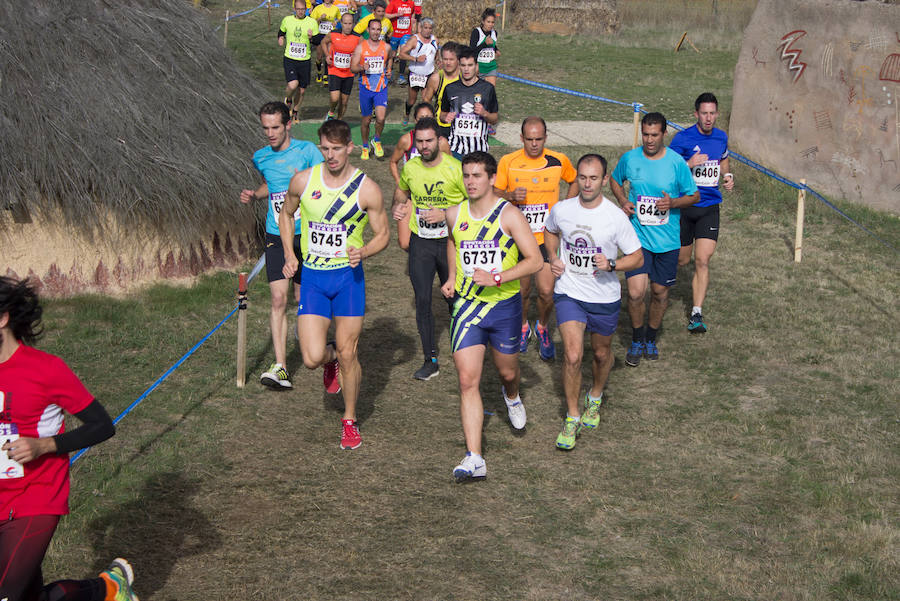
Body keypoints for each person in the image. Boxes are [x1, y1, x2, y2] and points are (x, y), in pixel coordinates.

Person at [0, 276, 138, 601]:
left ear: (3, 318)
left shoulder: (46, 370)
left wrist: (44, 445)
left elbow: (102, 425)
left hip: (36, 495)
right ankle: (109, 589)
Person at [279, 119, 390, 450]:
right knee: (313, 357)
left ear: (349, 148)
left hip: (348, 280)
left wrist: (364, 251)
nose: (330, 156)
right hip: (313, 278)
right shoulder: (303, 180)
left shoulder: (366, 188)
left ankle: (350, 419)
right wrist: (289, 252)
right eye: (325, 149)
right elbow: (286, 214)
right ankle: (329, 364)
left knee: (347, 352)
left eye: (336, 149)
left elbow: (383, 234)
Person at [440, 152, 543, 482]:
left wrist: (498, 278)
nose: (470, 181)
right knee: (467, 379)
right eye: (466, 175)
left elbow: (535, 260)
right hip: (468, 307)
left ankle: (511, 395)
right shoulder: (455, 214)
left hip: (503, 307)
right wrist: (452, 276)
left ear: (492, 179)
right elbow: (454, 244)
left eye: (477, 176)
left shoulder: (509, 215)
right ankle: (475, 457)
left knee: (507, 371)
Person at [543, 155, 643, 450]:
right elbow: (550, 231)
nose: (587, 184)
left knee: (601, 354)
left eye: (593, 178)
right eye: (583, 178)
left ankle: (595, 395)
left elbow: (637, 256)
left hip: (603, 297)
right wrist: (553, 257)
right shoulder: (562, 209)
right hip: (570, 292)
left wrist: (612, 265)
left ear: (603, 180)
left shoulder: (615, 218)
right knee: (573, 356)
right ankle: (572, 416)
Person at [240, 102, 324, 389]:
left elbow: (323, 185)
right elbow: (271, 186)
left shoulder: (308, 152)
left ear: (288, 124)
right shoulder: (260, 157)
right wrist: (256, 195)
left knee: (304, 297)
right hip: (276, 234)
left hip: (308, 234)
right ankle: (281, 367)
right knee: (278, 299)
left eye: (275, 127)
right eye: (265, 128)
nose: (270, 133)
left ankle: (313, 340)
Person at [609, 112, 699, 365]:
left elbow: (694, 196)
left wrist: (673, 202)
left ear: (664, 134)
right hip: (637, 239)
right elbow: (616, 181)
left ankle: (651, 336)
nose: (649, 140)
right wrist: (624, 201)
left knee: (660, 293)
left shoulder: (676, 162)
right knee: (636, 293)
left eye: (654, 135)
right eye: (645, 135)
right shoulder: (630, 158)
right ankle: (637, 339)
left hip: (667, 241)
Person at [494, 116, 578, 360]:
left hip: (545, 238)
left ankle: (542, 327)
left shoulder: (558, 160)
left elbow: (573, 180)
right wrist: (510, 194)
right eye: (529, 139)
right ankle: (522, 327)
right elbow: (494, 191)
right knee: (521, 291)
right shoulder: (508, 162)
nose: (533, 144)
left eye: (538, 139)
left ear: (545, 138)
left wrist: (565, 205)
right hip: (517, 237)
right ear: (521, 138)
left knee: (546, 292)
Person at [392, 118, 466, 380]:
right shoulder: (411, 167)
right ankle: (430, 359)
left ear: (439, 141)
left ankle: (466, 351)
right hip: (421, 242)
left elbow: (474, 207)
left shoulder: (456, 169)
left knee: (455, 298)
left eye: (429, 141)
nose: (424, 146)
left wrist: (445, 214)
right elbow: (401, 193)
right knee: (422, 299)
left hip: (451, 243)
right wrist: (398, 207)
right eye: (420, 141)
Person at [669, 92, 734, 334]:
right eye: (704, 113)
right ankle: (659, 286)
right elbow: (669, 170)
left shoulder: (721, 137)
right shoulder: (683, 139)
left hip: (709, 208)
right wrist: (688, 164)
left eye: (712, 113)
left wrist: (727, 176)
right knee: (682, 260)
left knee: (702, 260)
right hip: (686, 207)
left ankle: (696, 313)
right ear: (696, 114)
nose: (708, 118)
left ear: (717, 114)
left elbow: (723, 160)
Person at [439, 46, 499, 158]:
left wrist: (484, 113)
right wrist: (446, 117)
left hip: (479, 151)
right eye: (463, 65)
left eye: (470, 65)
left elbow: (495, 119)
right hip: (455, 149)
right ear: (459, 66)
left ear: (476, 66)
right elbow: (442, 115)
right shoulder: (450, 89)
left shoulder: (487, 88)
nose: (466, 69)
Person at [350, 18, 394, 160]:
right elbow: (353, 67)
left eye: (378, 29)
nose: (375, 32)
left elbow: (391, 57)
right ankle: (364, 145)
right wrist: (363, 67)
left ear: (380, 31)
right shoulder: (361, 47)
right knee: (366, 121)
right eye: (373, 29)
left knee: (381, 118)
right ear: (368, 30)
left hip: (381, 87)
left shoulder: (386, 47)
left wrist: (389, 69)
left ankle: (376, 140)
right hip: (365, 88)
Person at [278, 2, 318, 122]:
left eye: (303, 9)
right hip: (290, 58)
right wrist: (280, 38)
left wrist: (311, 38)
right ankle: (288, 99)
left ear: (306, 9)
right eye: (298, 9)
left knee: (302, 90)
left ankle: (295, 111)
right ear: (294, 9)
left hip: (304, 60)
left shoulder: (312, 22)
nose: (300, 12)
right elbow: (281, 32)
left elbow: (317, 41)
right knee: (293, 84)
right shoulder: (287, 20)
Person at [397, 17, 438, 125]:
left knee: (426, 100)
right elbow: (401, 54)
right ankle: (407, 113)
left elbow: (436, 53)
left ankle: (424, 122)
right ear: (421, 28)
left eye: (430, 28)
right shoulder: (415, 39)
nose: (428, 30)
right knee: (412, 100)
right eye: (425, 28)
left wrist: (438, 62)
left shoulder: (435, 39)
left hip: (428, 74)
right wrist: (415, 59)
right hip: (415, 74)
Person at [322, 12, 360, 120]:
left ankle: (339, 121)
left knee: (344, 101)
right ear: (341, 23)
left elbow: (363, 51)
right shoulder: (333, 34)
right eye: (345, 23)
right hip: (334, 70)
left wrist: (357, 56)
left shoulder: (357, 38)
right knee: (335, 98)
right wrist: (327, 55)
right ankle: (331, 112)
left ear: (353, 24)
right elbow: (323, 42)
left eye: (350, 23)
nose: (348, 26)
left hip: (349, 73)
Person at [422, 41, 459, 140]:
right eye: (445, 59)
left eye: (451, 59)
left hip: (461, 126)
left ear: (458, 60)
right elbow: (426, 100)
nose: (448, 63)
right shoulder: (436, 78)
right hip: (441, 125)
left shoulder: (465, 77)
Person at [309, 0, 342, 85]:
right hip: (320, 33)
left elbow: (340, 18)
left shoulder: (335, 8)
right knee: (319, 56)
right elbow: (311, 22)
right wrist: (320, 18)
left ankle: (326, 75)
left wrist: (336, 22)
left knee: (328, 54)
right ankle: (319, 72)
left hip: (330, 34)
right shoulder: (318, 8)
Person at [384, 0, 415, 84]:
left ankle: (401, 76)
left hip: (406, 33)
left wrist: (413, 25)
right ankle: (389, 71)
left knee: (403, 53)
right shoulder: (394, 2)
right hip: (394, 33)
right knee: (392, 54)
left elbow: (412, 14)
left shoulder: (411, 3)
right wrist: (396, 15)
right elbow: (385, 15)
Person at [469, 8, 500, 86]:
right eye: (488, 22)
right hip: (478, 68)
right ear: (483, 21)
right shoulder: (476, 32)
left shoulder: (494, 33)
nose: (490, 24)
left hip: (491, 67)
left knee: (490, 92)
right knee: (477, 94)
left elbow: (492, 45)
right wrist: (484, 44)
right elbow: (471, 51)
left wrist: (496, 50)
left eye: (492, 22)